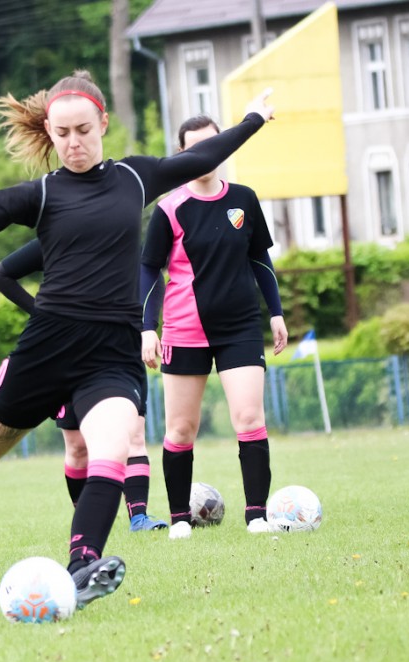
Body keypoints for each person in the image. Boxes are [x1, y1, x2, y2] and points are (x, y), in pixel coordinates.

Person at [0, 72, 274, 609]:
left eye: (83, 130)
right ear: (49, 133)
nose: (73, 143)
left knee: (111, 450)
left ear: (103, 123)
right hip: (49, 346)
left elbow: (203, 156)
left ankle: (82, 565)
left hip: (112, 351)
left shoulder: (135, 178)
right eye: (61, 134)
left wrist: (253, 119)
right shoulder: (41, 194)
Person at [138, 115, 289, 538]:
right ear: (181, 153)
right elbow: (148, 270)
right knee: (181, 429)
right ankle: (179, 520)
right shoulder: (169, 208)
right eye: (195, 148)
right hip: (185, 330)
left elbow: (259, 258)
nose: (206, 155)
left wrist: (276, 311)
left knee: (249, 418)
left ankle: (256, 516)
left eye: (212, 144)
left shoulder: (244, 198)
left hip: (240, 327)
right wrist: (147, 326)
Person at [0, 239, 169, 532]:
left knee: (133, 434)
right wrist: (44, 317)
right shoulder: (58, 239)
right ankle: (87, 520)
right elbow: (0, 275)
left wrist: (147, 327)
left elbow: (150, 274)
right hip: (65, 353)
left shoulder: (119, 235)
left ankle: (139, 517)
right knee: (77, 446)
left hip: (118, 350)